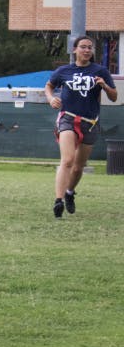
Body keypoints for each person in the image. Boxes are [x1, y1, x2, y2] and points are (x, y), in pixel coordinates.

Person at [44, 35, 118, 218]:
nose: (86, 50)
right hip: (67, 118)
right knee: (67, 160)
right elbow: (49, 86)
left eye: (89, 47)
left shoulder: (100, 71)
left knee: (78, 167)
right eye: (83, 47)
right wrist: (51, 98)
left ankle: (70, 193)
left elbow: (115, 96)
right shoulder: (63, 71)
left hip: (90, 122)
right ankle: (58, 200)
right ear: (74, 49)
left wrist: (105, 87)